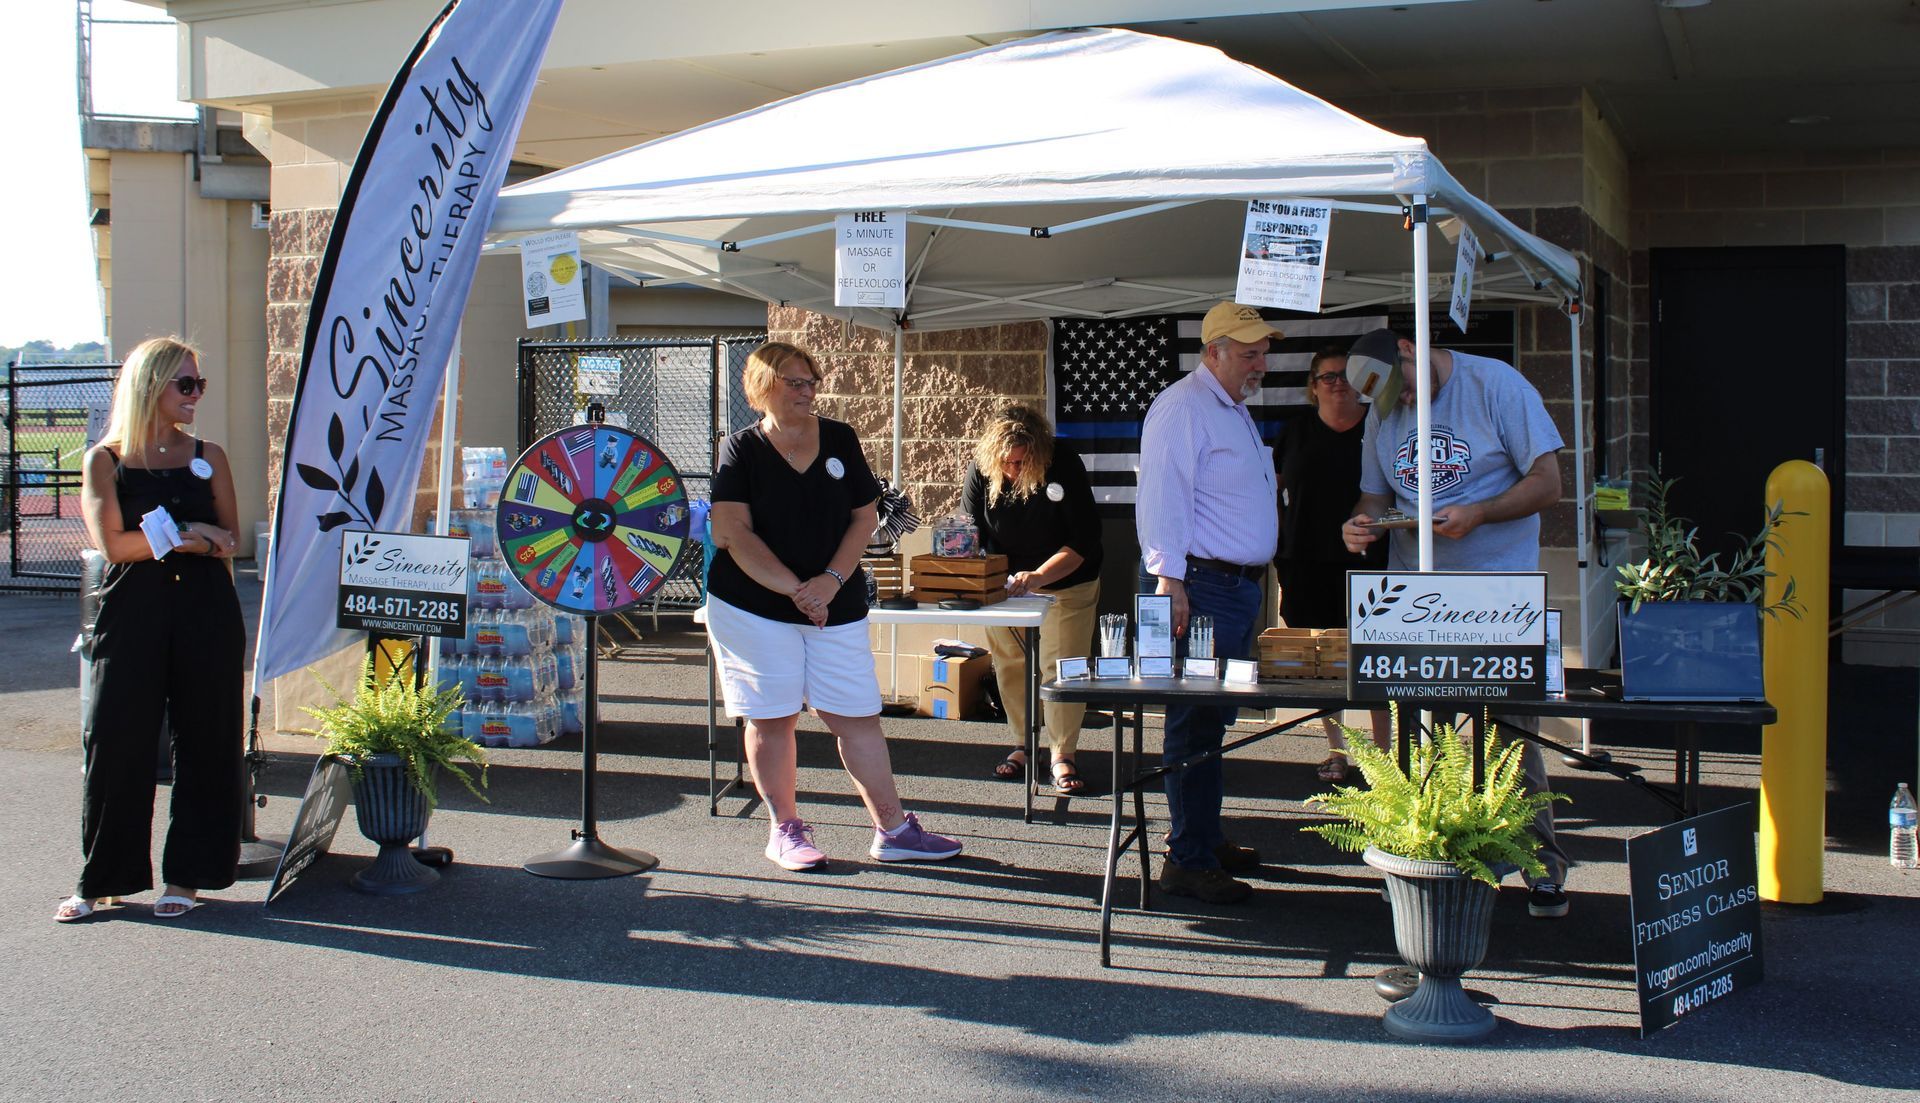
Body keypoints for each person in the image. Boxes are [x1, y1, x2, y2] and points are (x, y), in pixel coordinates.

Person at [1339, 327, 1574, 918]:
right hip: (1412, 598)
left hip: (1498, 592)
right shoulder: (1383, 409)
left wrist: (1480, 513)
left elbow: (1549, 484)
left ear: (1412, 350)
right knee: (1421, 731)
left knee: (1512, 734)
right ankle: (1431, 858)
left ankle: (1540, 865)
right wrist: (1362, 524)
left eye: (1407, 392)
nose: (1406, 407)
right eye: (1394, 404)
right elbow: (1372, 495)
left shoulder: (1497, 386)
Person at [706, 341, 963, 872]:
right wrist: (797, 590)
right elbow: (732, 532)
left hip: (835, 601)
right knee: (772, 717)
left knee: (857, 716)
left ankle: (893, 829)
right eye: (793, 382)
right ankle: (786, 829)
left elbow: (863, 519)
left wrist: (827, 582)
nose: (807, 391)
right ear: (761, 389)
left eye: (810, 381)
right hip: (752, 606)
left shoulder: (841, 439)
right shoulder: (739, 449)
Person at [57, 336, 244, 923]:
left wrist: (188, 540)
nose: (195, 395)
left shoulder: (208, 454)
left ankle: (189, 876)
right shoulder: (104, 460)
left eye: (200, 385)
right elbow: (112, 544)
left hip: (206, 612)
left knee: (208, 740)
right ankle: (103, 880)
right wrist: (192, 532)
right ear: (150, 387)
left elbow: (231, 541)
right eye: (184, 384)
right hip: (131, 613)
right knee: (115, 741)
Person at [1135, 301, 1283, 905]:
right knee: (1194, 724)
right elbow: (1162, 497)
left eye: (1263, 351)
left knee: (1211, 724)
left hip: (1231, 586)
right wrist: (1170, 583)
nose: (1261, 362)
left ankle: (1202, 836)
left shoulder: (1230, 409)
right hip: (1201, 586)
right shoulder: (1183, 408)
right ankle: (1188, 859)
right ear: (1213, 352)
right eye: (1249, 353)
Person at [963, 406, 1103, 795]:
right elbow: (969, 530)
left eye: (1022, 463)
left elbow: (1084, 538)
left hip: (1066, 580)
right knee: (1011, 664)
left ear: (1038, 453)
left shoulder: (1063, 463)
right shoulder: (982, 467)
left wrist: (1040, 576)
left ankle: (1062, 753)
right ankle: (1024, 744)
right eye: (1006, 463)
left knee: (1062, 667)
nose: (1013, 471)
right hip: (1006, 585)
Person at [1274, 346, 1389, 782]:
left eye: (1345, 375)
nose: (1338, 382)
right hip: (1304, 561)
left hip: (1369, 561)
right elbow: (1273, 488)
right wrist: (1277, 538)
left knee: (1375, 661)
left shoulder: (1381, 427)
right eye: (1328, 376)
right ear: (1313, 385)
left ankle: (1382, 760)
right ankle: (1336, 751)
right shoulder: (1295, 430)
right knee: (1325, 662)